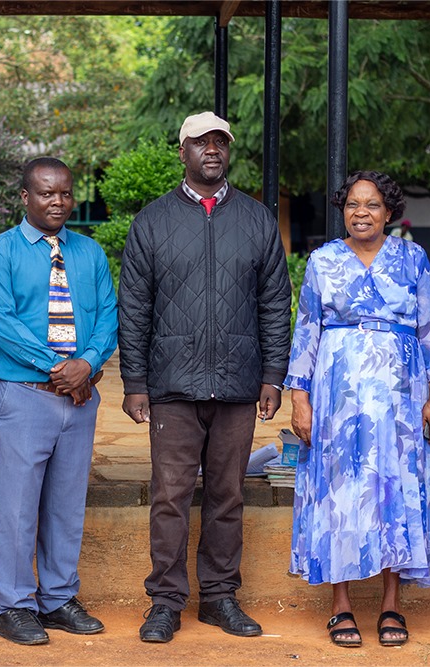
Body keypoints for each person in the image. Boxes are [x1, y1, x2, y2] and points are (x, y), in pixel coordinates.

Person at [118, 112, 292, 643]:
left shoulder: (258, 219)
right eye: (201, 142)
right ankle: (166, 602)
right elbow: (134, 307)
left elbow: (275, 303)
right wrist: (135, 381)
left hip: (239, 385)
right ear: (182, 152)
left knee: (227, 495)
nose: (212, 150)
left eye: (220, 142)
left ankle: (219, 597)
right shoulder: (151, 221)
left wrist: (273, 374)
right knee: (170, 496)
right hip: (172, 385)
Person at [285, 171, 430, 648]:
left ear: (389, 211)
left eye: (372, 204)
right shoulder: (322, 260)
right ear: (343, 210)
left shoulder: (413, 258)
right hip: (336, 398)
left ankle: (391, 604)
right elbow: (307, 331)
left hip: (401, 398)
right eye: (353, 204)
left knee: (394, 489)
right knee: (339, 490)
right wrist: (300, 398)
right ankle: (340, 606)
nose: (361, 212)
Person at [0, 157, 117, 646]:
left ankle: (57, 598)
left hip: (79, 400)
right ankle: (14, 606)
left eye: (64, 193)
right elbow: (0, 323)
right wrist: (60, 369)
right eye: (45, 193)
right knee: (17, 507)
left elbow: (107, 316)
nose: (57, 202)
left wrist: (90, 360)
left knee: (65, 504)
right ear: (25, 197)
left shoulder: (90, 253)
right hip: (26, 396)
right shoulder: (1, 252)